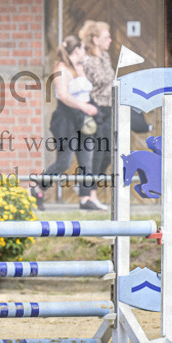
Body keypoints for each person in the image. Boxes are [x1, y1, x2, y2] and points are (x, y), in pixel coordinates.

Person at [31, 36, 99, 211]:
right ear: (76, 50)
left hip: (83, 120)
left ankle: (85, 199)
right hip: (65, 120)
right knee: (64, 162)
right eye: (83, 48)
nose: (85, 52)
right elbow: (63, 95)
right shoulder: (61, 68)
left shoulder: (80, 67)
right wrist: (84, 106)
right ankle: (37, 189)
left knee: (87, 161)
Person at [78, 21, 114, 212]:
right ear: (95, 39)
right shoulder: (87, 60)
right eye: (106, 36)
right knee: (97, 154)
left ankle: (91, 191)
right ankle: (89, 195)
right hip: (95, 109)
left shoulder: (105, 57)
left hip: (109, 109)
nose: (110, 40)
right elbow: (94, 83)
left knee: (107, 154)